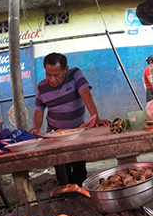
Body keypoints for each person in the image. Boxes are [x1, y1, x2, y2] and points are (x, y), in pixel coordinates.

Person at [29, 53, 110, 185]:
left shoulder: (74, 74)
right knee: (63, 175)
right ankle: (67, 197)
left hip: (77, 135)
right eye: (48, 74)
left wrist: (96, 118)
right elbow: (39, 111)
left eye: (56, 75)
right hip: (56, 137)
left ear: (65, 69)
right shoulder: (42, 87)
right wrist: (36, 128)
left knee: (80, 172)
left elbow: (86, 94)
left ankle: (81, 196)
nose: (52, 79)